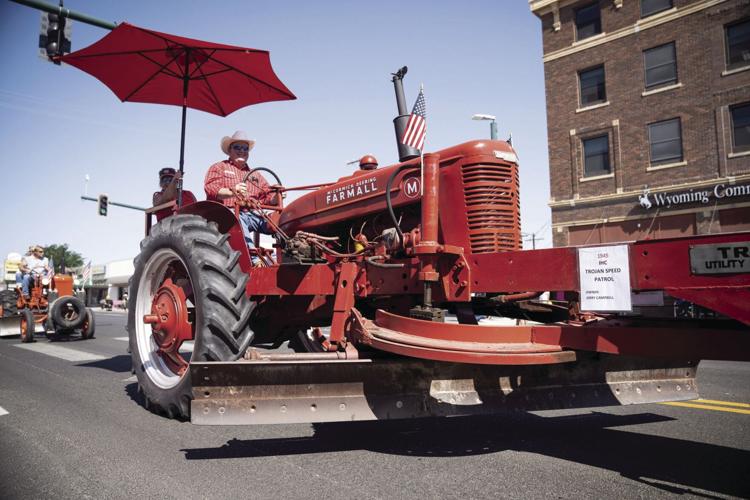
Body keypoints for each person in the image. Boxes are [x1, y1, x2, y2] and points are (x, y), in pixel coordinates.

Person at [204, 131, 278, 265]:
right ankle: (254, 260)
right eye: (237, 147)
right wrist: (233, 191)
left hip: (253, 213)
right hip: (228, 213)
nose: (241, 151)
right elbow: (211, 189)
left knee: (280, 220)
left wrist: (277, 196)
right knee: (237, 218)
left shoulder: (255, 175)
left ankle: (282, 258)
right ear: (229, 150)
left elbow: (268, 196)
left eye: (245, 148)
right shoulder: (219, 167)